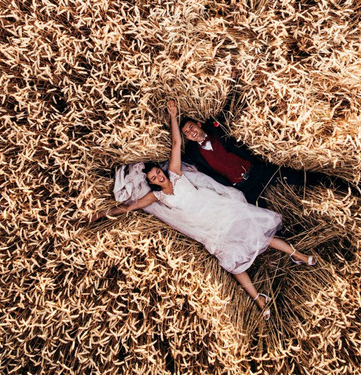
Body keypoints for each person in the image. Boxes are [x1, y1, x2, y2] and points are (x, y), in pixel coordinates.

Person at [89, 100, 316, 320]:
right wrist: (102, 214)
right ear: (152, 183)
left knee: (259, 235)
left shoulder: (175, 173)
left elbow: (177, 144)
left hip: (219, 210)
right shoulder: (155, 196)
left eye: (158, 172)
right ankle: (259, 299)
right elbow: (132, 206)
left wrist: (173, 116)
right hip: (205, 228)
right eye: (153, 178)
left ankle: (297, 255)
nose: (158, 176)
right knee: (233, 264)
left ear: (161, 170)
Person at [179, 116, 361, 207]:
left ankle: (345, 186)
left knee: (300, 178)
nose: (190, 133)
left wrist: (234, 81)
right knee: (261, 215)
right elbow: (175, 147)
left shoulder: (216, 126)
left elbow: (229, 107)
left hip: (257, 169)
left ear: (198, 124)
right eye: (186, 133)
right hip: (243, 186)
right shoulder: (193, 154)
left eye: (190, 127)